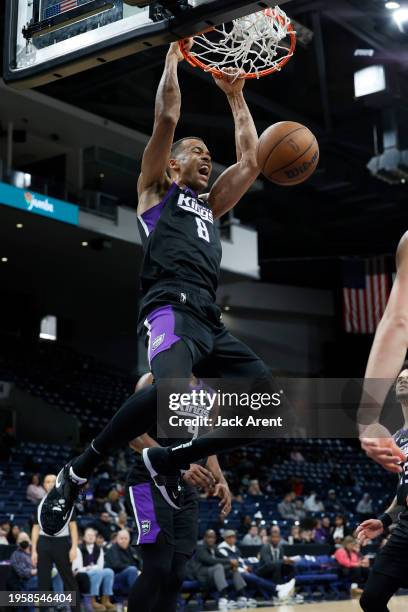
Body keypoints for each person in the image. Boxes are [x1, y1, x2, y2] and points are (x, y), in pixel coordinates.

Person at [39, 39, 285, 538]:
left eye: (208, 154)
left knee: (264, 408)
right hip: (170, 306)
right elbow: (168, 119)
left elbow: (252, 162)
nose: (206, 158)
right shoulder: (155, 190)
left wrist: (236, 96)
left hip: (210, 320)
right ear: (172, 166)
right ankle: (79, 470)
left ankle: (163, 459)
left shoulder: (211, 207)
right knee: (170, 396)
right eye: (197, 153)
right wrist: (173, 55)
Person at [126, 372, 231, 612]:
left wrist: (221, 479)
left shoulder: (210, 394)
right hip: (148, 482)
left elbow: (209, 445)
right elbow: (134, 436)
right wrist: (178, 464)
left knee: (176, 573)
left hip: (184, 488)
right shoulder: (153, 380)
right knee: (157, 566)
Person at [357, 367, 408, 611]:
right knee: (371, 600)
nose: (403, 380)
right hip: (405, 527)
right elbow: (402, 491)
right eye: (400, 378)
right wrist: (384, 520)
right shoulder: (397, 437)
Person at [31, 474, 81, 612]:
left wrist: (74, 547)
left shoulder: (68, 502)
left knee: (69, 580)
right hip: (43, 543)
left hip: (61, 543)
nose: (51, 484)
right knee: (43, 582)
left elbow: (73, 526)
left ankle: (76, 609)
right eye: (47, 481)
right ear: (44, 485)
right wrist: (34, 550)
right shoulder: (40, 503)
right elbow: (35, 528)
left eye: (53, 481)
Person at [192, 529, 247, 610]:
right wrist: (230, 561)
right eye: (209, 537)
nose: (211, 539)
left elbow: (224, 557)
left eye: (213, 537)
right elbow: (210, 561)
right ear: (205, 538)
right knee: (219, 566)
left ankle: (241, 596)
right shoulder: (200, 547)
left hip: (214, 573)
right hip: (202, 574)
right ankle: (223, 598)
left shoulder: (214, 547)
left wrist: (233, 563)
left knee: (233, 568)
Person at [72, 527, 116, 611]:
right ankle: (93, 600)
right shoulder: (78, 549)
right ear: (84, 537)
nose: (91, 537)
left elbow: (101, 566)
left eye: (92, 535)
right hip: (83, 574)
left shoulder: (99, 549)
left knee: (109, 571)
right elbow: (76, 569)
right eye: (88, 535)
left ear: (95, 537)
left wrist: (94, 569)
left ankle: (105, 600)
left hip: (96, 572)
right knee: (97, 571)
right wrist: (90, 568)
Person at [104, 530, 139, 598]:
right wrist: (132, 568)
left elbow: (138, 562)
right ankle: (135, 598)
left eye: (126, 538)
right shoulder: (112, 549)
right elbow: (116, 565)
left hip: (129, 574)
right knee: (132, 570)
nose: (124, 540)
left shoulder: (131, 550)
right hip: (114, 577)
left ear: (129, 539)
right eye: (121, 538)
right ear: (117, 539)